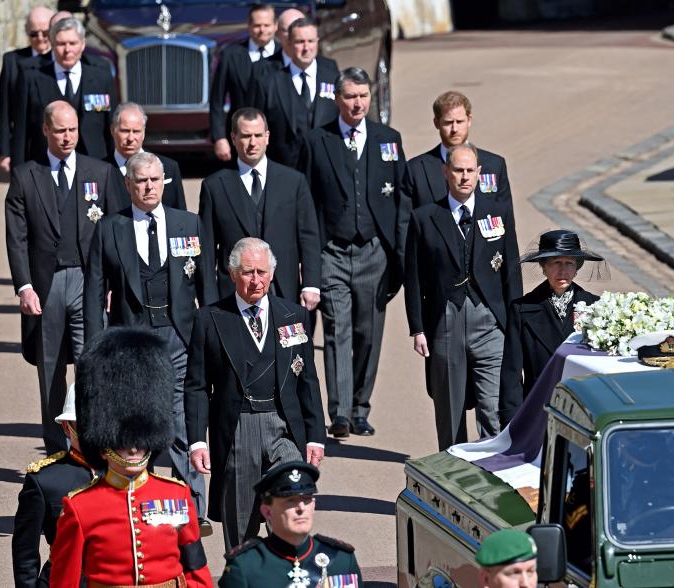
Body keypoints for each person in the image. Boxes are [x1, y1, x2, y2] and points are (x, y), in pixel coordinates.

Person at [83, 151, 215, 533]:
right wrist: (95, 350)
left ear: (164, 182)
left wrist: (210, 339)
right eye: (140, 180)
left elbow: (207, 288)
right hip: (132, 342)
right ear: (128, 185)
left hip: (178, 337)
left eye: (155, 180)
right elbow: (95, 291)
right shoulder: (110, 228)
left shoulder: (188, 224)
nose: (149, 187)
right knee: (138, 423)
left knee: (180, 420)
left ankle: (194, 509)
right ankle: (140, 503)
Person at [184, 237, 326, 551]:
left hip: (283, 426)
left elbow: (308, 381)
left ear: (272, 274)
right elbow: (195, 386)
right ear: (233, 274)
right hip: (238, 429)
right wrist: (197, 440)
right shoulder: (209, 320)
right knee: (241, 530)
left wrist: (316, 434)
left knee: (293, 504)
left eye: (262, 272)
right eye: (248, 272)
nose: (256, 280)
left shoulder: (293, 317)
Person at [50, 327, 214, 587]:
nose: (135, 448)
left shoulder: (177, 496)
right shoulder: (80, 507)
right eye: (124, 441)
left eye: (140, 438)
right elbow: (64, 581)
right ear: (104, 443)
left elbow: (195, 570)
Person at [299, 67, 411, 438]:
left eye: (363, 95)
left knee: (368, 332)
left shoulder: (388, 139)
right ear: (338, 99)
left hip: (374, 253)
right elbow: (307, 203)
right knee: (336, 331)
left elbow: (401, 201)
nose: (358, 103)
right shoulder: (317, 141)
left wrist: (398, 256)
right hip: (332, 251)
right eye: (350, 96)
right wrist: (309, 258)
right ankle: (341, 413)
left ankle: (361, 407)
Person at [5, 100, 122, 453]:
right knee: (51, 369)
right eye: (60, 130)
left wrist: (114, 283)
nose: (67, 136)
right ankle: (56, 450)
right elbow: (17, 236)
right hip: (47, 284)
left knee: (91, 364)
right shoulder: (26, 175)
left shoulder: (99, 173)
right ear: (46, 130)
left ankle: (92, 444)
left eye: (72, 129)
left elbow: (117, 229)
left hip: (90, 282)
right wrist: (24, 286)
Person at [405, 144, 520, 450]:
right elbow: (414, 278)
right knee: (450, 411)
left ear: (480, 174)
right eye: (458, 170)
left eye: (470, 170)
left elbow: (511, 271)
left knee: (493, 409)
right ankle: (454, 474)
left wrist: (514, 324)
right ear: (446, 172)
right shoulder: (425, 218)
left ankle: (492, 476)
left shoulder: (498, 212)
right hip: (446, 320)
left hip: (490, 321)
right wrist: (417, 328)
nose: (465, 177)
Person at [199, 107, 320, 305]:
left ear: (267, 137)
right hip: (233, 292)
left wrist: (311, 285)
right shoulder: (214, 186)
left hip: (284, 289)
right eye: (246, 136)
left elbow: (309, 237)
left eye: (257, 135)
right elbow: (207, 249)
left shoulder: (294, 182)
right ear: (233, 137)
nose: (252, 143)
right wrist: (209, 298)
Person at [499, 229, 606, 426]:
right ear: (543, 267)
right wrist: (511, 420)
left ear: (577, 269)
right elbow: (511, 372)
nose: (562, 271)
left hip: (584, 408)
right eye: (555, 263)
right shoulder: (522, 309)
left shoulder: (596, 307)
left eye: (569, 264)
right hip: (537, 408)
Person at [219, 461, 362, 587]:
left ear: (313, 506)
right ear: (267, 512)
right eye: (290, 501)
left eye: (306, 499)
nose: (301, 508)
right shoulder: (245, 566)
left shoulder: (341, 560)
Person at [12, 384, 96, 587]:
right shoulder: (45, 480)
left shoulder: (130, 476)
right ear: (67, 427)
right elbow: (25, 553)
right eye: (83, 425)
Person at [12, 17, 118, 165]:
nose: (67, 50)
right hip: (45, 166)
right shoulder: (31, 79)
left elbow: (111, 128)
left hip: (94, 164)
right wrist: (18, 174)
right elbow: (21, 132)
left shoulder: (102, 79)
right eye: (61, 44)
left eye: (73, 43)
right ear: (52, 45)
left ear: (82, 45)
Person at [251, 17, 339, 168]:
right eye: (300, 42)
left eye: (311, 41)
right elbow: (257, 127)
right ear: (289, 44)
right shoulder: (269, 83)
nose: (306, 48)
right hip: (284, 170)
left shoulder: (333, 78)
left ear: (317, 41)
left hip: (327, 168)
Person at [406, 91, 514, 210]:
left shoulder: (494, 165)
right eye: (448, 123)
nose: (454, 129)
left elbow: (505, 217)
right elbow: (405, 222)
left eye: (460, 121)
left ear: (469, 120)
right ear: (436, 123)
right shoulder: (417, 170)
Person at [209, 4, 279, 162]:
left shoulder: (285, 56)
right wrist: (219, 137)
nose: (262, 30)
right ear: (249, 26)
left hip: (278, 142)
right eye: (257, 25)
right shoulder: (230, 54)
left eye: (267, 25)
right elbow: (217, 99)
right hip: (240, 140)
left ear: (275, 26)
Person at [0, 6, 54, 173]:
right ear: (26, 32)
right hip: (24, 145)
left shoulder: (63, 61)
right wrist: (3, 151)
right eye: (34, 33)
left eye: (45, 32)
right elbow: (5, 110)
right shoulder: (12, 61)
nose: (40, 38)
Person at [105, 102, 187, 210]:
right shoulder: (101, 171)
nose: (130, 138)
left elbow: (181, 217)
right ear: (112, 130)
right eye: (125, 131)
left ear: (143, 132)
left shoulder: (168, 167)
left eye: (136, 131)